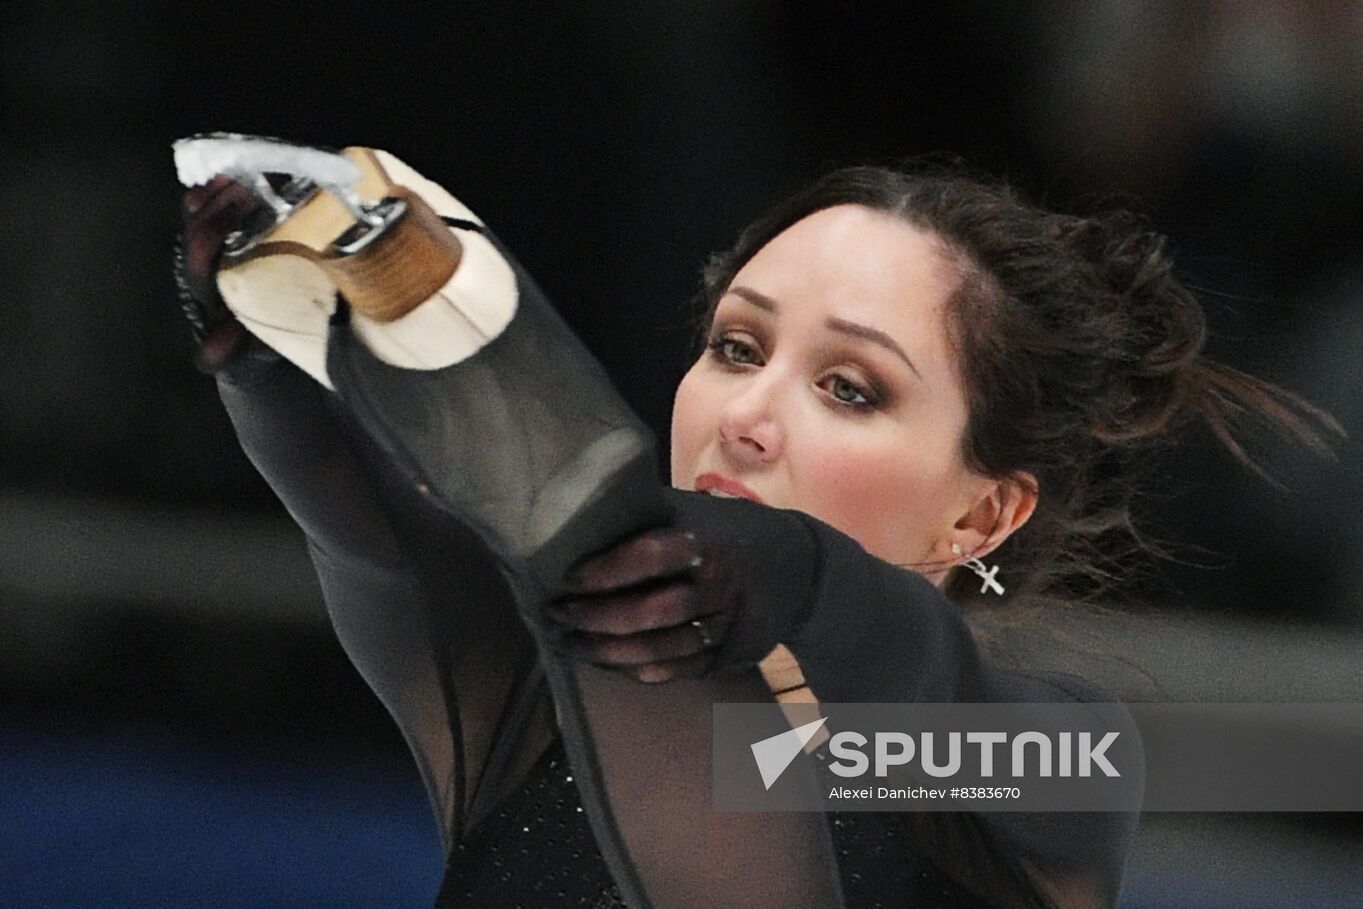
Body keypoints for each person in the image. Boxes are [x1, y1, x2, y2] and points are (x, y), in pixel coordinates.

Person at [176, 149, 1339, 909]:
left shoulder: (1055, 757)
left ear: (981, 512)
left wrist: (779, 571)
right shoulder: (528, 705)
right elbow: (376, 534)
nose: (747, 416)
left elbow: (891, 664)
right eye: (736, 348)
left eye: (850, 389)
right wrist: (267, 360)